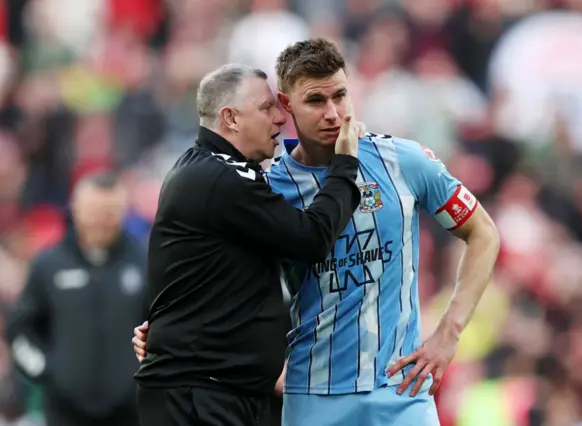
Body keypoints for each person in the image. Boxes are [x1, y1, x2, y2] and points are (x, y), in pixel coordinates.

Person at [133, 39, 500, 425]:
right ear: (286, 105)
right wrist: (168, 330)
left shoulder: (403, 162)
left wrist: (449, 332)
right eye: (315, 101)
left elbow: (483, 233)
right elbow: (213, 270)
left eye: (340, 96)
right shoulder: (266, 187)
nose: (333, 113)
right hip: (311, 396)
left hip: (400, 390)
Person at [133, 64, 364, 426]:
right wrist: (345, 165)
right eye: (266, 107)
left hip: (218, 389)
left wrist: (170, 327)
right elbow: (311, 238)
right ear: (231, 118)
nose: (279, 119)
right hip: (200, 394)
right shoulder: (222, 177)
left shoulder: (206, 170)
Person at [7, 171, 148, 426]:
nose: (100, 222)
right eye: (93, 211)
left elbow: (166, 328)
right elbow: (20, 329)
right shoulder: (48, 265)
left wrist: (146, 374)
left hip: (129, 411)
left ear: (122, 213)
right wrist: (47, 370)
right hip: (65, 412)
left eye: (109, 213)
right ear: (76, 210)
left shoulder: (144, 263)